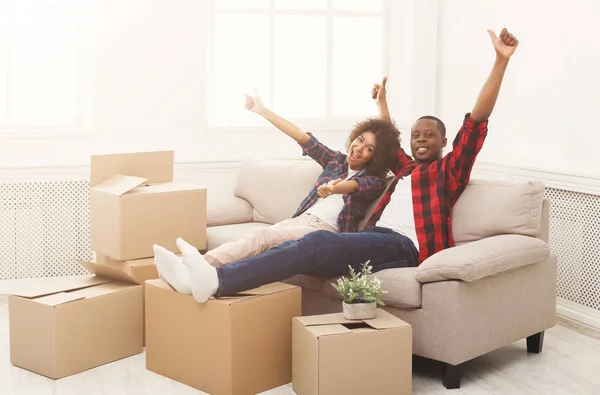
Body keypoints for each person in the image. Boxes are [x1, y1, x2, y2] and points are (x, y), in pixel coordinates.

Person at [153, 28, 519, 303]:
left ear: (444, 142)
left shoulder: (449, 171)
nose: (421, 140)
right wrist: (383, 104)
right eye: (416, 135)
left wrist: (501, 62)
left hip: (407, 247)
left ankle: (216, 282)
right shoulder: (405, 171)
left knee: (313, 242)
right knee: (297, 248)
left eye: (430, 136)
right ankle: (206, 275)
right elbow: (386, 137)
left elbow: (477, 121)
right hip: (374, 239)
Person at [199, 89, 401, 268]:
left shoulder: (374, 181)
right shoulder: (335, 161)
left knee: (264, 236)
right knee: (256, 240)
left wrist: (333, 189)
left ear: (376, 157)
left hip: (326, 230)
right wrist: (262, 110)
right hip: (301, 219)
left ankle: (202, 265)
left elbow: (355, 186)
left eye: (369, 149)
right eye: (359, 140)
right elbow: (301, 136)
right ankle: (206, 271)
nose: (359, 149)